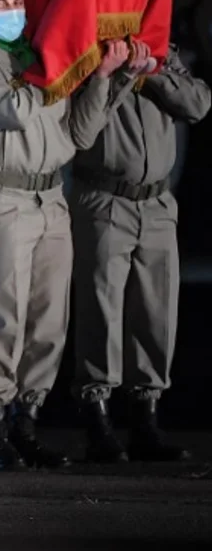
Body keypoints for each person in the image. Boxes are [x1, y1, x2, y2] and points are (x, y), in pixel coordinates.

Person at [0, 0, 127, 472]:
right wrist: (56, 61)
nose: (10, 14)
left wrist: (105, 78)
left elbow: (80, 135)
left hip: (50, 200)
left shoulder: (40, 60)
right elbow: (17, 111)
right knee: (5, 318)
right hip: (0, 199)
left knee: (49, 323)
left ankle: (26, 419)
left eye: (18, 5)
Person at [72, 40, 209, 462]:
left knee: (155, 309)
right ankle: (97, 418)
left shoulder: (163, 51)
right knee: (102, 308)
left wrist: (153, 71)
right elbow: (84, 128)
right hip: (105, 195)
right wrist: (117, 73)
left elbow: (197, 104)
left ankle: (145, 420)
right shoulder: (91, 51)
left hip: (157, 202)